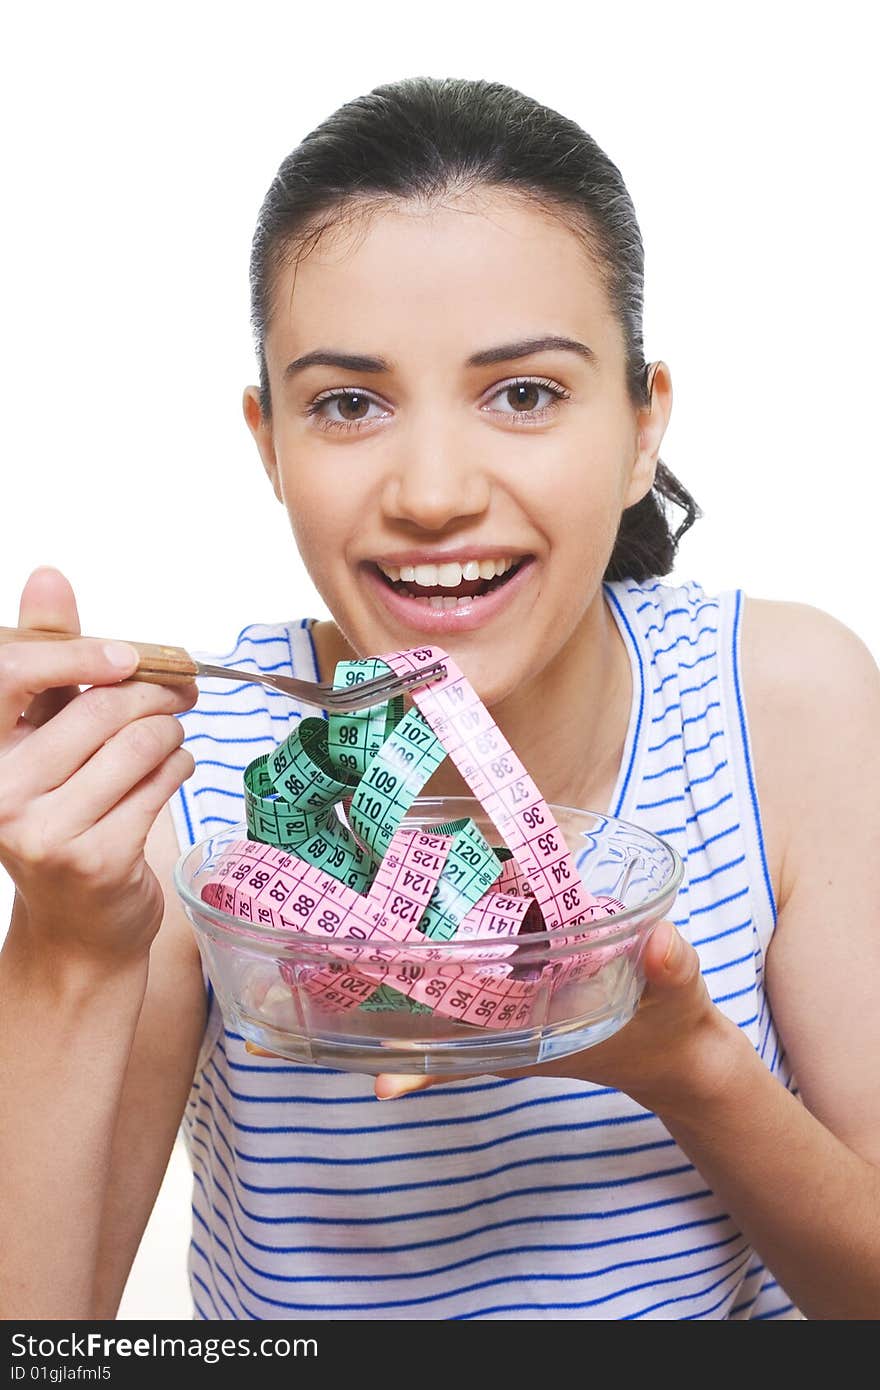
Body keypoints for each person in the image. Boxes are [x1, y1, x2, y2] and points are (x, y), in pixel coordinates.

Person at [1, 76, 878, 1324]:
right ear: (270, 444)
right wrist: (67, 938)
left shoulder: (783, 708)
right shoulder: (180, 787)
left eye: (523, 392)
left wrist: (686, 1064)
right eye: (348, 403)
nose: (430, 492)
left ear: (641, 428)